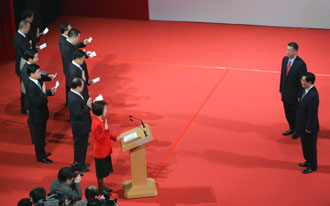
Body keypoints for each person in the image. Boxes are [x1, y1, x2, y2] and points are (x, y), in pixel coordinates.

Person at [25, 64, 56, 163]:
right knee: (38, 138)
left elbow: (40, 93)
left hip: (42, 113)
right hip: (37, 115)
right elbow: (37, 101)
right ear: (32, 74)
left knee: (42, 136)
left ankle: (42, 152)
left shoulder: (37, 80)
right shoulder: (30, 86)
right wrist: (43, 93)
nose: (40, 73)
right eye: (38, 72)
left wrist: (49, 92)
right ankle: (40, 157)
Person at [91, 100, 122, 194]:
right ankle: (101, 189)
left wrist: (116, 138)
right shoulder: (96, 123)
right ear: (100, 110)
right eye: (105, 109)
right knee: (100, 173)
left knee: (103, 171)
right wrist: (106, 129)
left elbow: (106, 134)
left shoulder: (99, 120)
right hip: (100, 152)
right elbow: (100, 138)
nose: (107, 111)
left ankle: (103, 187)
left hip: (105, 150)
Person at [280, 42, 307, 139]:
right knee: (287, 112)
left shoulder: (301, 64)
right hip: (285, 92)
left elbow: (303, 82)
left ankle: (298, 130)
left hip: (295, 94)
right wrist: (281, 89)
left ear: (295, 51)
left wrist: (300, 95)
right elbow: (283, 76)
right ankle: (292, 127)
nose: (287, 52)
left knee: (296, 113)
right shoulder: (284, 59)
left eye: (289, 50)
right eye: (287, 49)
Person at [296, 72, 319, 174]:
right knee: (305, 145)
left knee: (310, 146)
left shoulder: (313, 95)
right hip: (303, 124)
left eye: (303, 80)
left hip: (309, 127)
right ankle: (307, 160)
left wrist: (308, 128)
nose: (301, 82)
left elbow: (312, 114)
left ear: (309, 82)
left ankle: (312, 165)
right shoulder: (305, 90)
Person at [68, 78, 92, 172]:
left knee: (83, 145)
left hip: (82, 126)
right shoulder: (74, 99)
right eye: (82, 86)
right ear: (77, 87)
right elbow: (77, 114)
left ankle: (81, 162)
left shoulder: (74, 93)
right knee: (79, 147)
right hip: (79, 127)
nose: (83, 87)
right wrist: (88, 107)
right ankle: (78, 165)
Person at [61, 28, 89, 105]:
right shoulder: (66, 49)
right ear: (73, 37)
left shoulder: (70, 43)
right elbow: (70, 62)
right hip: (73, 73)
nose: (79, 39)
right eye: (78, 38)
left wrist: (83, 52)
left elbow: (75, 49)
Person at [13, 20, 32, 114]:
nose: (29, 30)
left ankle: (26, 107)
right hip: (22, 65)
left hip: (24, 63)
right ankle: (24, 108)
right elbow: (26, 49)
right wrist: (30, 45)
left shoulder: (21, 36)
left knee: (25, 87)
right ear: (24, 28)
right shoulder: (18, 38)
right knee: (24, 88)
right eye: (28, 28)